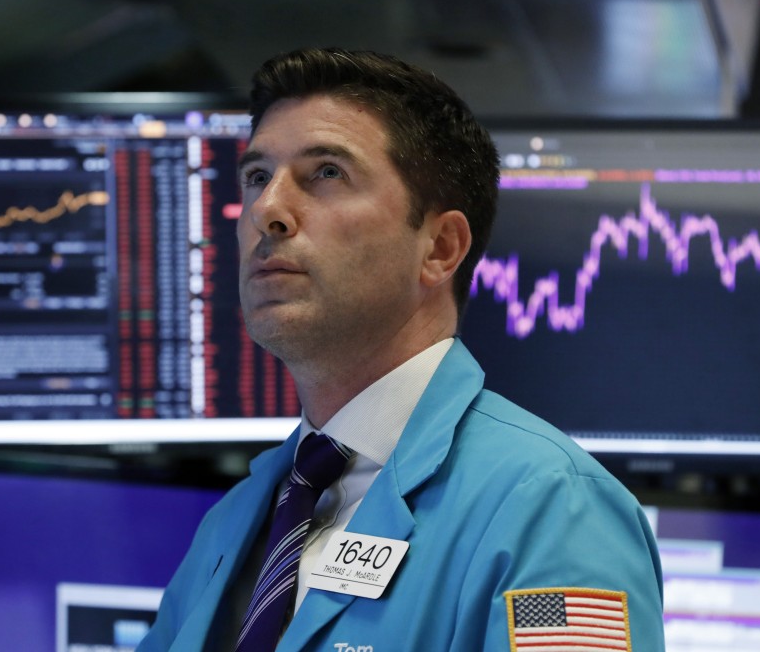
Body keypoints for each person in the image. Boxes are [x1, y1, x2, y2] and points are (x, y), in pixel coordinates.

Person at [138, 47, 665, 652]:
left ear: (440, 247)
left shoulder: (553, 508)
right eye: (257, 176)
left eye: (326, 173)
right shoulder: (237, 518)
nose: (267, 210)